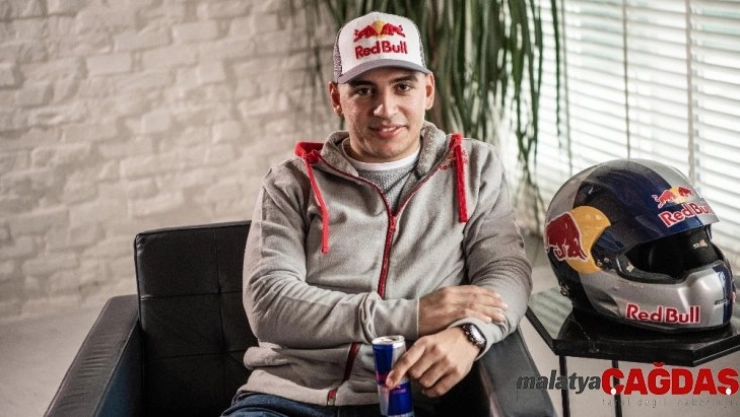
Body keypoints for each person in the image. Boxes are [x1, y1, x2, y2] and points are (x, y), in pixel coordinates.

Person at [222, 11, 532, 417]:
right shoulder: (290, 182)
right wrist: (415, 315)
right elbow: (270, 305)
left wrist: (470, 335)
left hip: (406, 397)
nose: (385, 109)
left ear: (428, 90)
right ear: (336, 97)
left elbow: (506, 273)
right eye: (364, 90)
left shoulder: (473, 167)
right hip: (286, 398)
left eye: (402, 86)